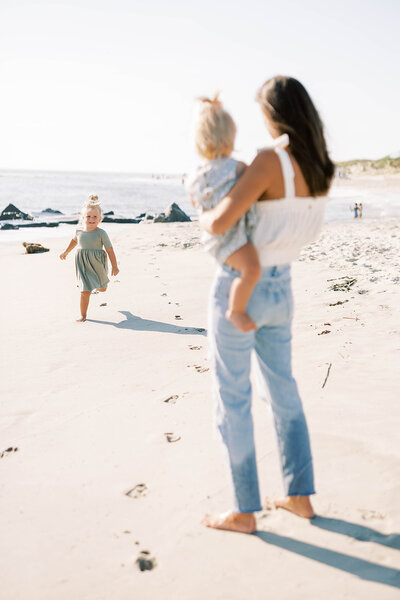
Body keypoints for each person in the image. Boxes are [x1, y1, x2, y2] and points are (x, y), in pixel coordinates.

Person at [200, 76, 335, 533]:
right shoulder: (320, 168)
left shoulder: (268, 160)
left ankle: (243, 511)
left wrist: (201, 213)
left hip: (242, 286)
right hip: (283, 287)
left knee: (232, 399)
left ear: (273, 114)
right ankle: (299, 497)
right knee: (284, 392)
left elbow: (220, 223)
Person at [186, 94, 261, 332]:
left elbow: (193, 200)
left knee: (246, 269)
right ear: (230, 138)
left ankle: (237, 308)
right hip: (232, 238)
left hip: (212, 239)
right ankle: (236, 311)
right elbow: (254, 183)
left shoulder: (195, 175)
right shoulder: (237, 168)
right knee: (252, 269)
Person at [59, 195, 119, 322]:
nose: (91, 219)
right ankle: (83, 315)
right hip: (82, 264)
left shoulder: (101, 233)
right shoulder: (79, 231)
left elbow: (110, 250)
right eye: (88, 216)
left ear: (100, 219)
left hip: (97, 263)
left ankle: (97, 286)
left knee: (102, 288)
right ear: (83, 218)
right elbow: (74, 241)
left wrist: (114, 265)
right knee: (84, 290)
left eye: (95, 217)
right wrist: (66, 252)